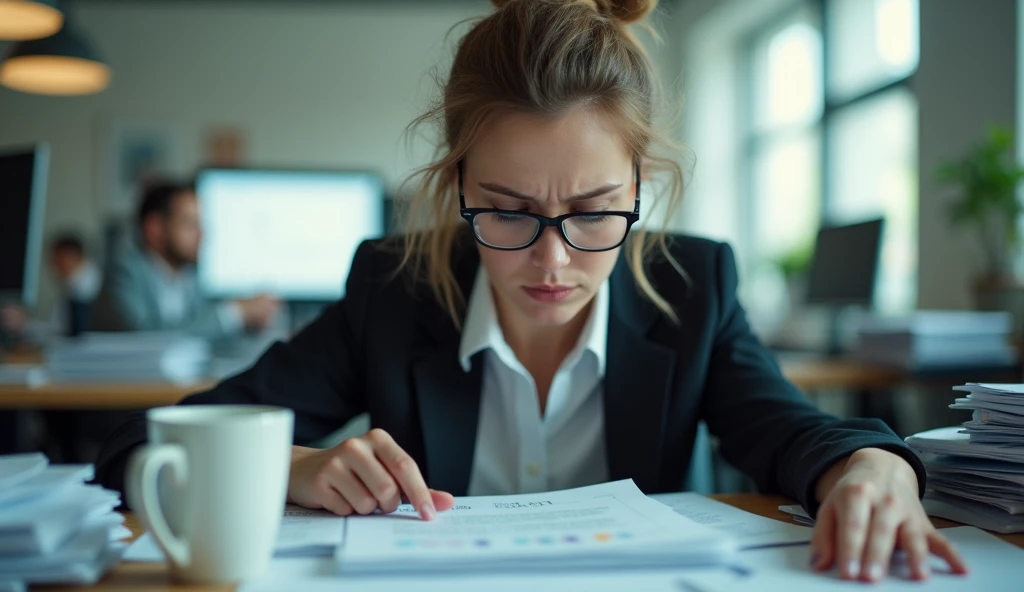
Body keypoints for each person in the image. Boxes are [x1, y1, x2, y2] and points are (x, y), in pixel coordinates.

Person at [97, 0, 966, 583]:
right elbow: (134, 448)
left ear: (640, 187)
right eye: (507, 213)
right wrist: (290, 467)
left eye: (593, 214)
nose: (552, 262)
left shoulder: (689, 285)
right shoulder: (393, 290)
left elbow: (792, 429)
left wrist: (872, 465)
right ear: (455, 183)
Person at [90, 181, 281, 340]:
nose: (202, 235)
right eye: (191, 224)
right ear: (154, 228)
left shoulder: (190, 278)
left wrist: (249, 323)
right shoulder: (123, 275)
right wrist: (231, 314)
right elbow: (148, 339)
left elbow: (207, 336)